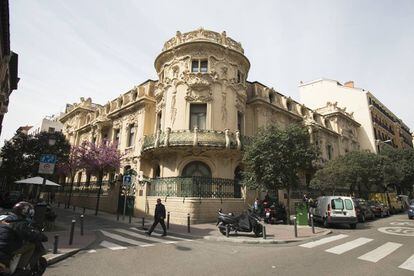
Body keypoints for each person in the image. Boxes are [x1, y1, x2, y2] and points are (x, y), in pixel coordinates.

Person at [0, 201, 47, 273]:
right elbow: (31, 234)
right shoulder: (20, 222)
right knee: (31, 245)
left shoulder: (4, 218)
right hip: (4, 251)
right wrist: (42, 237)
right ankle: (19, 269)